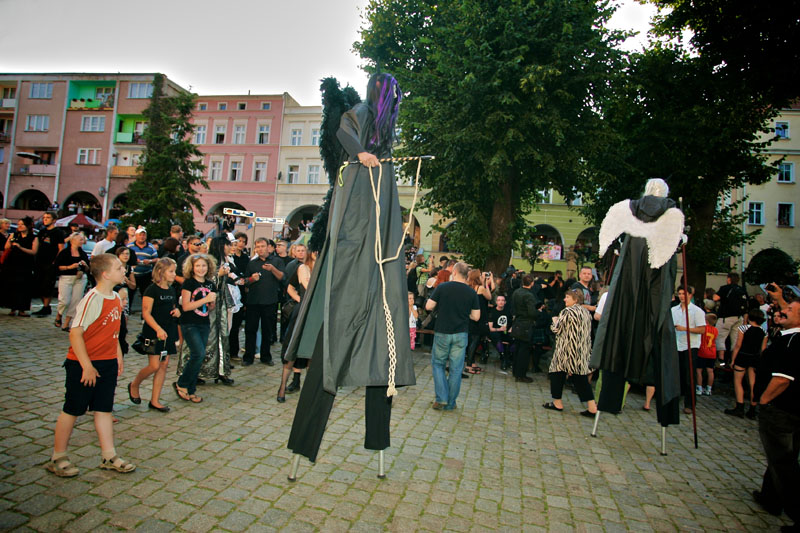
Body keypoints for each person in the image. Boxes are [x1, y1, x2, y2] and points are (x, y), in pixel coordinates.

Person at [283, 73, 416, 463]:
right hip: (358, 209)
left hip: (375, 219)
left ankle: (377, 440)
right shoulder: (360, 115)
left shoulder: (385, 135)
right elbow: (343, 131)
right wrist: (360, 153)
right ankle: (307, 444)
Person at [591, 178, 684, 425]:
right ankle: (663, 412)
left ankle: (608, 401)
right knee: (658, 326)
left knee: (619, 328)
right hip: (655, 281)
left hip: (628, 287)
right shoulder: (673, 213)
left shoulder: (630, 209)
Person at [44, 253, 135, 477]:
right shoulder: (92, 298)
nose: (123, 270)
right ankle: (58, 456)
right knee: (72, 409)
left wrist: (117, 356)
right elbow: (76, 334)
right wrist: (86, 365)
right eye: (118, 268)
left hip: (106, 364)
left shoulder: (115, 297)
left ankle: (109, 455)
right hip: (83, 365)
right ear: (105, 274)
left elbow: (112, 333)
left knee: (103, 409)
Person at [752, 299, 800, 526]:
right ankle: (770, 496)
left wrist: (764, 400)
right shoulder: (788, 337)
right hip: (790, 409)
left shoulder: (793, 341)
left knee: (783, 462)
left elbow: (782, 379)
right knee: (781, 457)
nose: (784, 311)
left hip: (780, 410)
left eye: (790, 309)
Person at [129, 258, 180, 412]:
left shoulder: (171, 289)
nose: (174, 274)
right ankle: (134, 384)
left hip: (168, 331)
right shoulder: (152, 290)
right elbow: (146, 313)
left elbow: (173, 307)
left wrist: (177, 311)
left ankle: (155, 400)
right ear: (160, 272)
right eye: (171, 271)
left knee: (163, 365)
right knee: (154, 365)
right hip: (154, 332)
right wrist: (157, 328)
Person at [426, 262, 480, 409]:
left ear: (454, 272)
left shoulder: (443, 287)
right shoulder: (471, 292)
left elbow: (428, 306)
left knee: (438, 364)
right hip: (461, 333)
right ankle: (450, 403)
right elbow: (476, 316)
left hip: (443, 331)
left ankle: (441, 397)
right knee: (456, 369)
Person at [544, 289, 597, 416]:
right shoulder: (586, 312)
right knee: (581, 379)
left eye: (567, 297)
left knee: (556, 374)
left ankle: (557, 402)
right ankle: (592, 407)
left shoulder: (567, 312)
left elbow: (556, 329)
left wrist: (555, 320)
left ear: (575, 299)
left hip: (566, 350)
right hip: (581, 351)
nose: (564, 299)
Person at [195, 235, 238, 385]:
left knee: (223, 335)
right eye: (227, 245)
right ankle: (203, 371)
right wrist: (218, 276)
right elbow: (204, 283)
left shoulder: (225, 261)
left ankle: (221, 370)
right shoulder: (208, 262)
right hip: (210, 304)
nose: (229, 247)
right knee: (209, 336)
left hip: (222, 302)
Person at [174, 253, 217, 404]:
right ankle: (182, 383)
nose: (201, 269)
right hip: (189, 323)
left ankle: (190, 390)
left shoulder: (210, 284)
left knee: (198, 356)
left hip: (203, 323)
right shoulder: (188, 284)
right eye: (197, 265)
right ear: (191, 267)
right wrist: (205, 299)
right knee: (198, 354)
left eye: (203, 265)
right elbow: (186, 306)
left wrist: (211, 304)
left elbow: (208, 308)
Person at [277, 251, 317, 402]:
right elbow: (290, 287)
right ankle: (282, 389)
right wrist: (300, 300)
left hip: (316, 314)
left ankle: (308, 392)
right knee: (292, 350)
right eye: (315, 250)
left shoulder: (324, 270)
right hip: (302, 314)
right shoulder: (303, 268)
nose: (317, 253)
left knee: (311, 354)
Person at [242, 237, 284, 366]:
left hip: (270, 301)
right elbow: (245, 282)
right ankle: (248, 357)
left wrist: (272, 269)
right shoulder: (252, 263)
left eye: (262, 246)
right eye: (258, 246)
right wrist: (251, 279)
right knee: (250, 330)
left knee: (267, 331)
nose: (260, 249)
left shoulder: (276, 261)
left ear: (268, 247)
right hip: (253, 302)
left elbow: (282, 277)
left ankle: (266, 357)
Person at [725, 308, 768, 419]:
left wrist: (733, 359)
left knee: (738, 381)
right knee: (753, 384)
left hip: (743, 356)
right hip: (754, 358)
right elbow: (763, 349)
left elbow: (738, 345)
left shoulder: (743, 328)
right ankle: (752, 409)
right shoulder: (764, 332)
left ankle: (740, 407)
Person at [671, 286, 706, 414]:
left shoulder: (697, 311)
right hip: (677, 344)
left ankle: (690, 404)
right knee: (677, 374)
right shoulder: (674, 310)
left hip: (690, 346)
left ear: (690, 295)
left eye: (684, 294)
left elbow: (702, 329)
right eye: (679, 294)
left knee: (689, 376)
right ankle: (674, 400)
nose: (681, 296)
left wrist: (685, 328)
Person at [53, 232, 90, 331]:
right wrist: (70, 267)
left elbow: (88, 268)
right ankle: (59, 315)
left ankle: (66, 323)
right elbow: (57, 267)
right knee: (64, 301)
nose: (82, 242)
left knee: (76, 301)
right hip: (66, 278)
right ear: (73, 240)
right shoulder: (64, 252)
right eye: (80, 240)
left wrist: (85, 266)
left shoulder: (82, 253)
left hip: (80, 279)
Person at [4, 217, 39, 316]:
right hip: (13, 263)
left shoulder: (33, 237)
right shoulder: (13, 235)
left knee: (24, 287)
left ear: (27, 226)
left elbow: (33, 251)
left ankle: (22, 309)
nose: (19, 226)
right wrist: (10, 242)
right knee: (12, 286)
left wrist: (20, 247)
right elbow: (6, 247)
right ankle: (12, 308)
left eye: (22, 224)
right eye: (18, 224)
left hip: (25, 264)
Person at [33, 211, 64, 316]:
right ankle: (44, 306)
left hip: (50, 263)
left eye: (48, 217)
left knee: (47, 286)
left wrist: (55, 261)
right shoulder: (41, 231)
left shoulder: (58, 232)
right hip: (39, 262)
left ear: (54, 220)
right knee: (39, 285)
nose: (45, 219)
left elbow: (61, 248)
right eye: (44, 217)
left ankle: (46, 307)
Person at [713, 272, 748, 364]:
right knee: (735, 339)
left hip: (726, 317)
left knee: (720, 338)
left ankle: (721, 361)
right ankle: (733, 361)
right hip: (738, 318)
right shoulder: (742, 290)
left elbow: (715, 298)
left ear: (729, 279)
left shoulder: (725, 288)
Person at [511, 275, 540, 383]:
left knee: (517, 349)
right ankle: (521, 374)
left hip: (517, 322)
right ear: (532, 283)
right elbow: (532, 312)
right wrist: (539, 312)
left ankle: (515, 371)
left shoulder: (516, 292)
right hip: (526, 325)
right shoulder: (529, 295)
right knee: (524, 351)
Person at [465, 269, 492, 375]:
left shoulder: (468, 287)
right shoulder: (480, 288)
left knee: (473, 340)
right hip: (479, 317)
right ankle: (469, 365)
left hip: (471, 316)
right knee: (475, 341)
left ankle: (472, 362)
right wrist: (486, 284)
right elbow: (489, 297)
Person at [128, 228, 158, 312]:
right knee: (130, 294)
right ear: (136, 236)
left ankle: (144, 313)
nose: (142, 237)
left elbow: (156, 259)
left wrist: (150, 261)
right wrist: (134, 260)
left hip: (145, 274)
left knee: (145, 294)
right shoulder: (130, 246)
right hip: (133, 274)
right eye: (140, 235)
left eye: (144, 235)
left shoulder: (151, 247)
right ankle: (128, 310)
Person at [696, 313, 718, 398]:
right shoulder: (715, 330)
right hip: (712, 352)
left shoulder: (704, 329)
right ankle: (709, 389)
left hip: (702, 351)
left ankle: (699, 388)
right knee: (710, 371)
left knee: (699, 370)